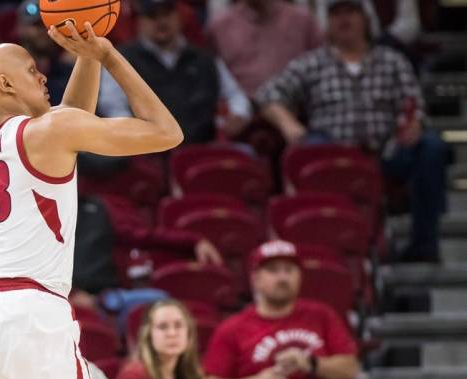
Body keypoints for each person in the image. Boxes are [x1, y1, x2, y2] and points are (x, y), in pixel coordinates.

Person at [0, 16, 185, 379]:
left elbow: (69, 118)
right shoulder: (50, 131)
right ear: (6, 85)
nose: (43, 75)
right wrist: (108, 55)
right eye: (31, 71)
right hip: (32, 313)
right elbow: (167, 132)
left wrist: (85, 55)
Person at [256, 0, 450, 262]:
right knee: (309, 149)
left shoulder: (392, 61)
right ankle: (321, 246)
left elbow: (413, 106)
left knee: (432, 148)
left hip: (385, 154)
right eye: (336, 14)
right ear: (327, 23)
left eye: (351, 12)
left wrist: (413, 124)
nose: (344, 20)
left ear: (366, 19)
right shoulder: (312, 63)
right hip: (330, 156)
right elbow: (268, 95)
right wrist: (289, 125)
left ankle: (423, 245)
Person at [204, 240, 384, 379]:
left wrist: (311, 363)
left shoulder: (321, 315)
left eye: (289, 270)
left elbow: (351, 368)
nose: (283, 277)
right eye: (273, 270)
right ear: (255, 278)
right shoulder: (232, 328)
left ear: (299, 276)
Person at [98, 0, 251, 143]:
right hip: (148, 152)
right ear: (140, 21)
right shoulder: (121, 60)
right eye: (153, 16)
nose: (162, 22)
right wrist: (131, 131)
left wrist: (239, 113)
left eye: (167, 14)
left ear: (178, 16)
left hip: (201, 146)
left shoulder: (204, 59)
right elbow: (111, 104)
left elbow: (236, 94)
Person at [207, 0, 322, 97]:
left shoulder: (302, 21)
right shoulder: (220, 26)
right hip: (243, 118)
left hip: (296, 114)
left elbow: (322, 67)